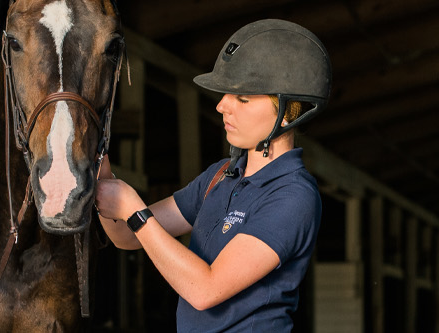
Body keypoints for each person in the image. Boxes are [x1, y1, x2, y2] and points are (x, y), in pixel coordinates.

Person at [95, 18, 330, 332]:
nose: (221, 106)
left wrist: (133, 211)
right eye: (225, 95)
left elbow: (205, 290)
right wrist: (103, 177)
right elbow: (127, 236)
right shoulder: (220, 176)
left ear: (289, 113)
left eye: (242, 99)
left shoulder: (293, 196)